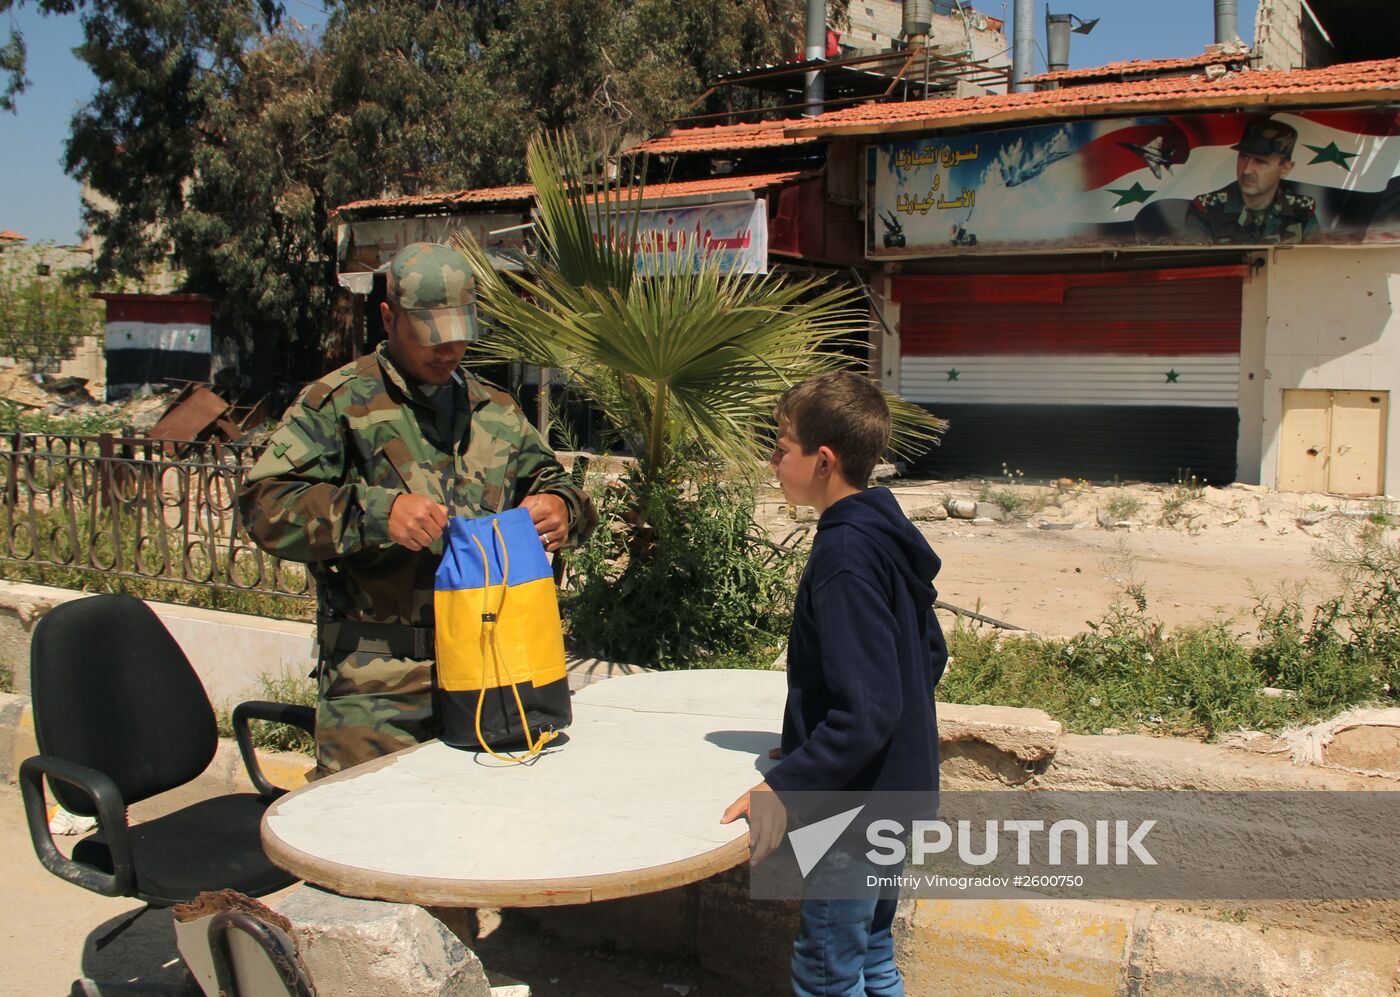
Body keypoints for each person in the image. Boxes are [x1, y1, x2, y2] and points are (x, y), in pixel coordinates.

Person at [237, 242, 596, 779]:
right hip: (379, 685)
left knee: (490, 824)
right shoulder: (339, 402)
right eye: (429, 333)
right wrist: (374, 512)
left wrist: (562, 507)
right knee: (367, 827)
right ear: (388, 318)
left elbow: (558, 486)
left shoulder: (494, 409)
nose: (447, 350)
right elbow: (264, 506)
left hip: (492, 669)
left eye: (459, 333)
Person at [721, 371, 947, 997]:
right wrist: (810, 740)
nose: (772, 463)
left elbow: (867, 709)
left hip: (852, 814)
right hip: (897, 794)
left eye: (780, 448)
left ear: (823, 461)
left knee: (827, 972)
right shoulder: (884, 533)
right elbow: (929, 654)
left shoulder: (843, 556)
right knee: (872, 955)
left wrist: (785, 785)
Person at [1184, 117, 1318, 245]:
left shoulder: (1301, 210)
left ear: (1285, 169)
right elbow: (1195, 258)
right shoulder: (1207, 208)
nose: (1247, 170)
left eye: (1260, 161)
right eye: (1244, 157)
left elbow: (1316, 257)